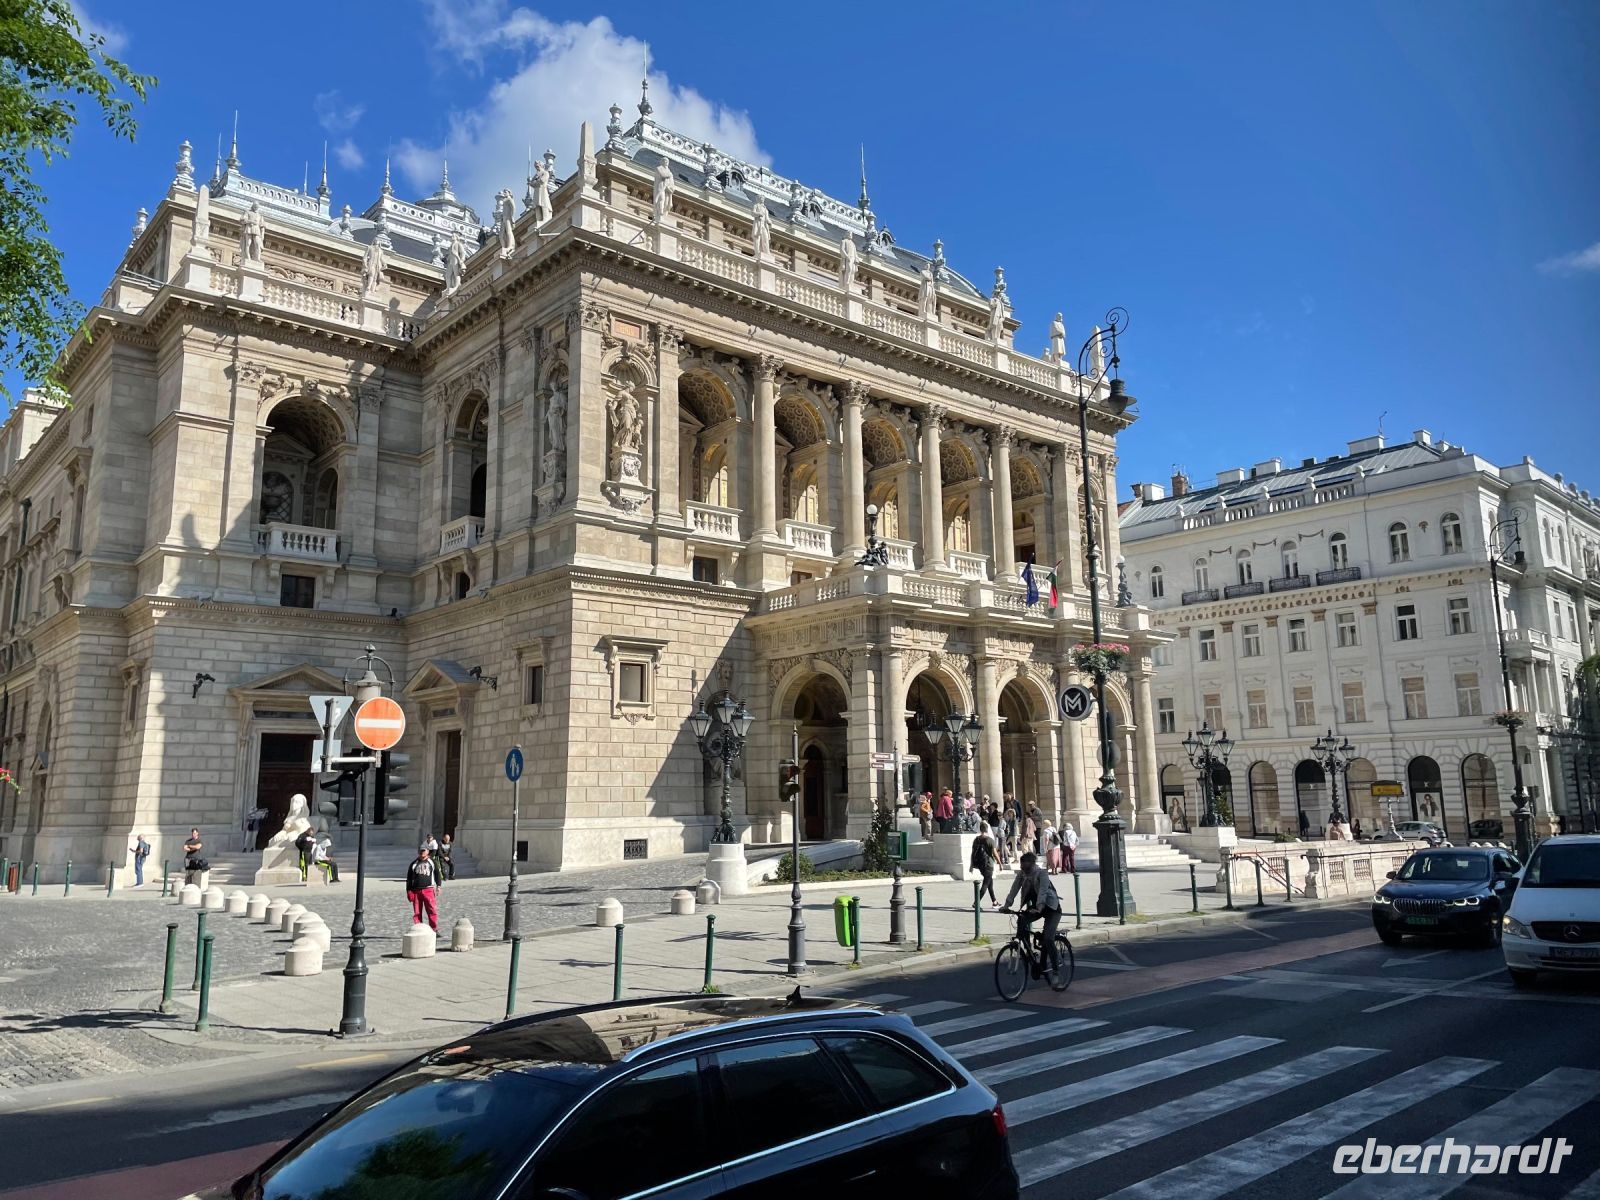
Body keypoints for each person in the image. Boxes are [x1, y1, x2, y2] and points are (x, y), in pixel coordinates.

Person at [1002, 852, 1064, 973]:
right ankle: (1029, 952)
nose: (1024, 870)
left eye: (1026, 868)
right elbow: (1014, 889)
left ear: (1032, 864)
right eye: (1022, 867)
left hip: (1051, 908)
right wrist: (1006, 905)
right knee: (1022, 920)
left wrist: (1040, 907)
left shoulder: (1042, 874)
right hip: (1036, 908)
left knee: (1048, 939)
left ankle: (1056, 969)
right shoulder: (1022, 874)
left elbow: (1043, 891)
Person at [406, 846, 440, 931]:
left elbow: (437, 874)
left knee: (432, 910)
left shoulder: (432, 862)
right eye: (420, 851)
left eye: (424, 851)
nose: (422, 853)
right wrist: (409, 891)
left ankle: (434, 929)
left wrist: (438, 886)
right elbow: (409, 879)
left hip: (428, 890)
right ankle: (418, 929)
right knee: (417, 912)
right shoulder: (414, 863)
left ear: (428, 851)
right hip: (416, 891)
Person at [972, 821, 1000, 906]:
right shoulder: (990, 840)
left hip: (980, 865)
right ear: (987, 829)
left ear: (980, 829)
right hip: (988, 864)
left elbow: (973, 852)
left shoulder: (976, 840)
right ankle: (976, 902)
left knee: (989, 882)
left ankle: (994, 901)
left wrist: (971, 864)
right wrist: (1000, 863)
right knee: (986, 883)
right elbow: (995, 853)